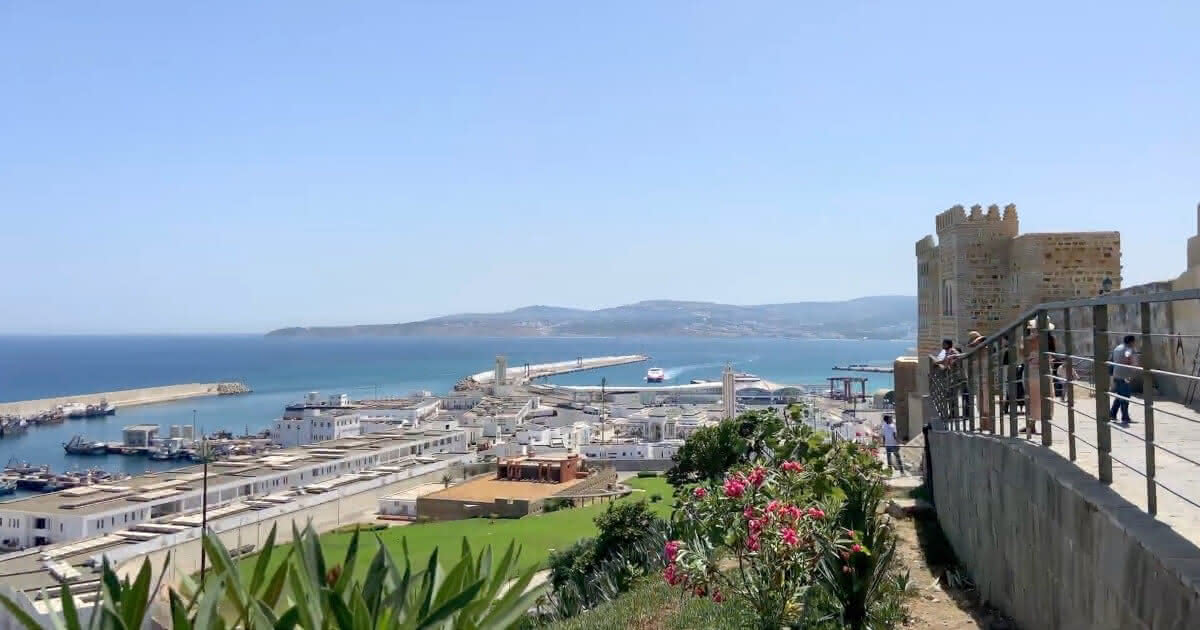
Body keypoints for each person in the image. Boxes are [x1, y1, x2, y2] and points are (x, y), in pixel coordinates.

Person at [967, 330, 993, 431]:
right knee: (980, 402)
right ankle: (983, 424)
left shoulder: (986, 349)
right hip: (979, 377)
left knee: (986, 401)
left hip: (986, 376)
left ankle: (988, 424)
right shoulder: (976, 351)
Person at [1110, 334, 1137, 426]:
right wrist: (1134, 369)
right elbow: (1129, 360)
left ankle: (1112, 414)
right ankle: (1125, 416)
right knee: (1125, 395)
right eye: (1134, 341)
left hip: (1116, 373)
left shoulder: (1117, 348)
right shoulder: (1129, 349)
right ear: (1131, 341)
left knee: (1119, 394)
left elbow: (1112, 359)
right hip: (1125, 375)